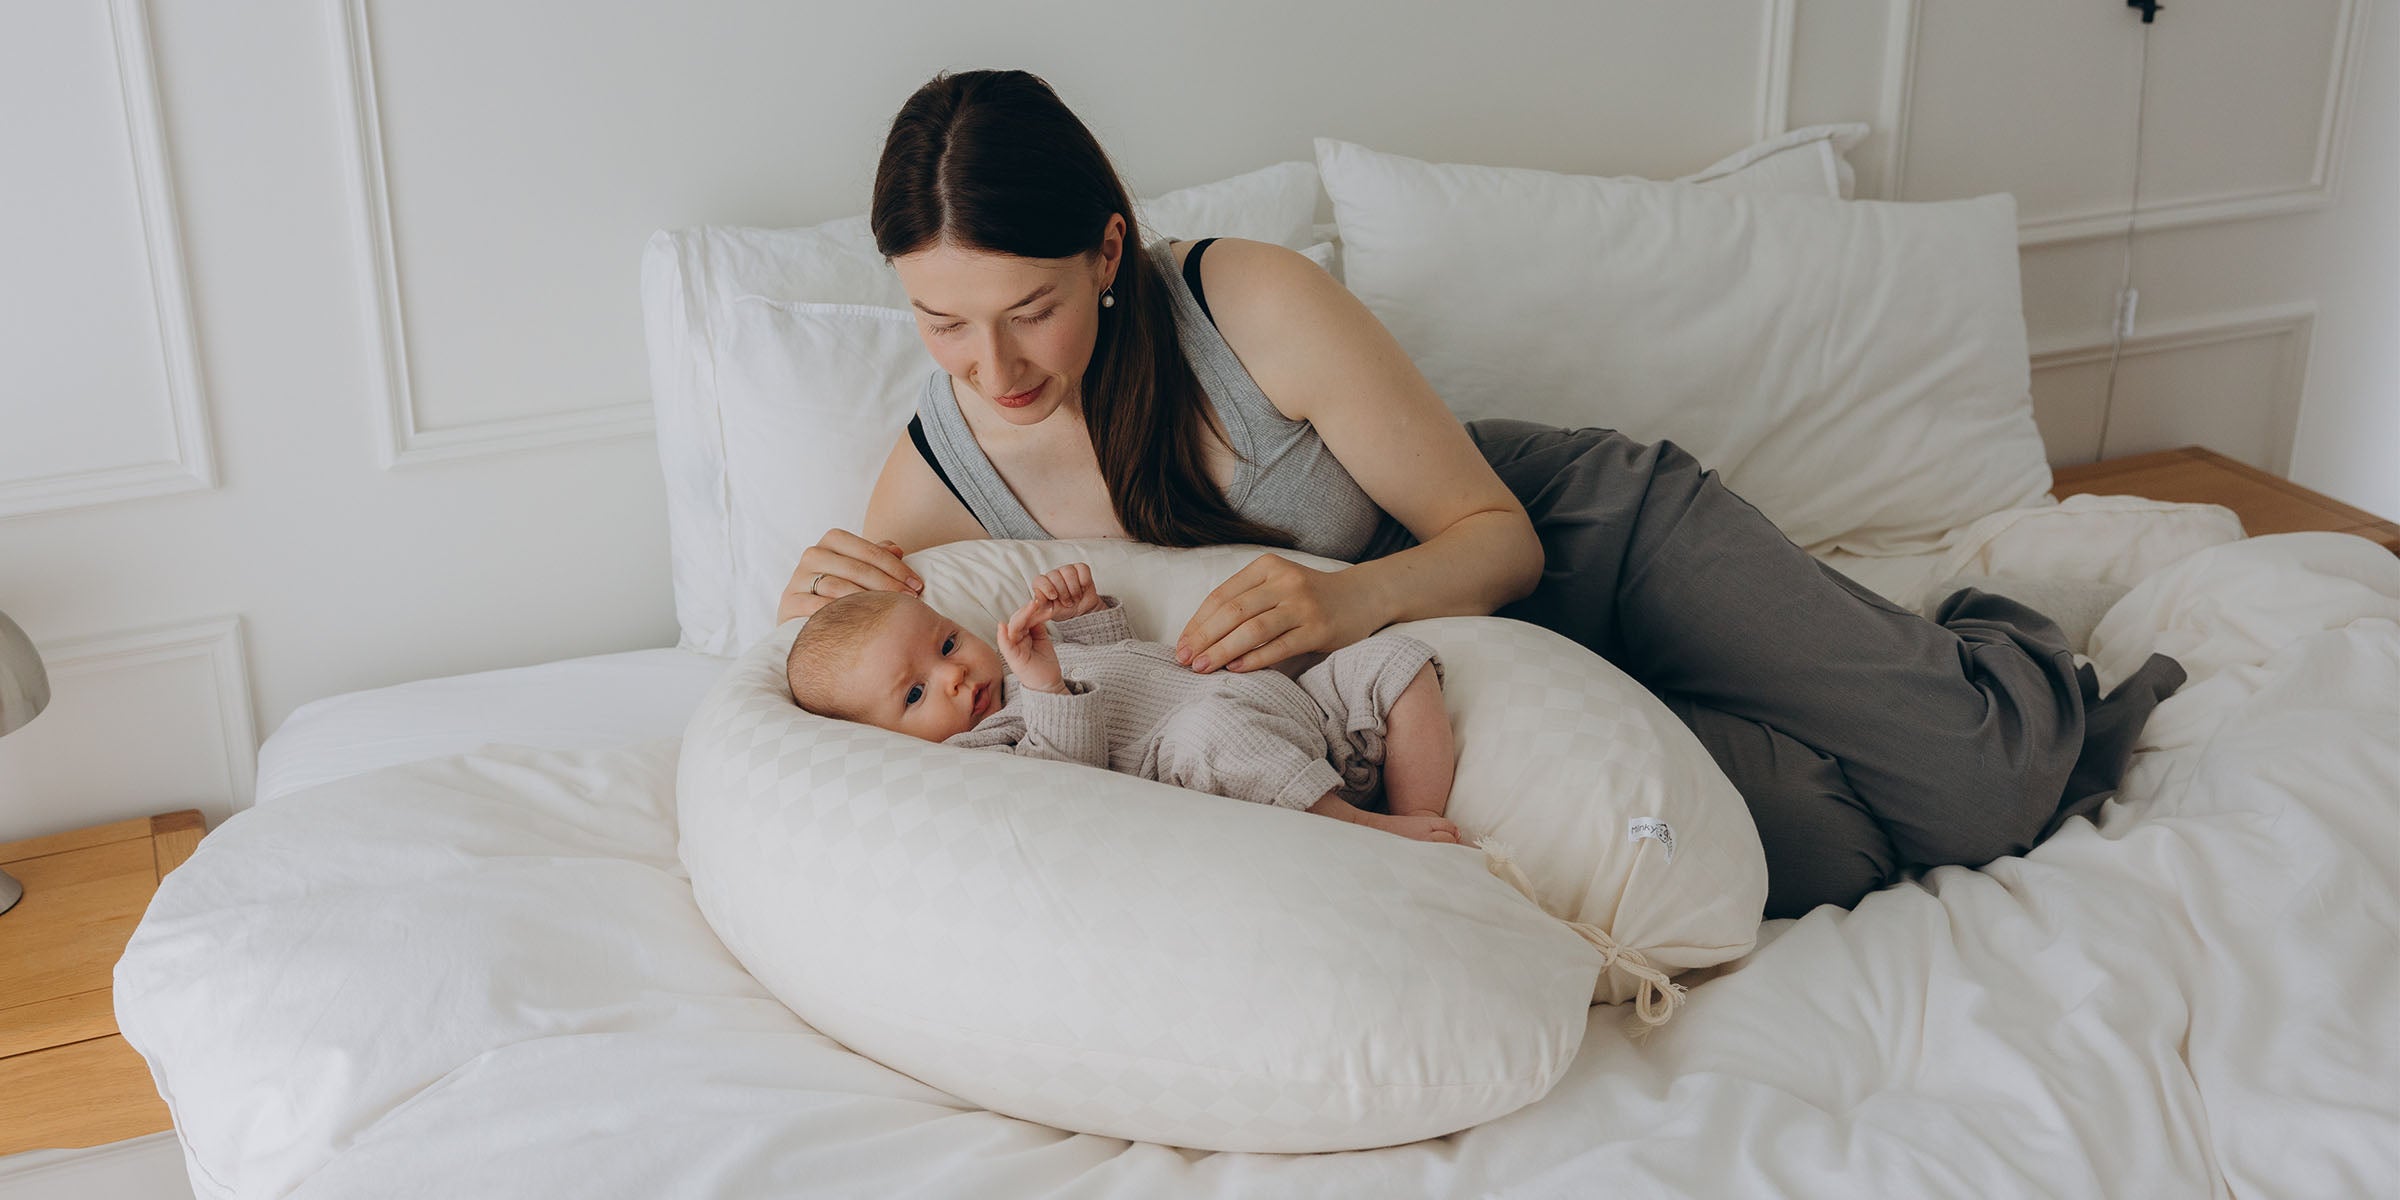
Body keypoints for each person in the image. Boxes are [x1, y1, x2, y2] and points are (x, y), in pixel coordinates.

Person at [777, 69, 2185, 919]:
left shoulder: (1243, 299)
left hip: (1583, 546)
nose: (995, 366)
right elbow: (851, 650)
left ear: (1104, 248)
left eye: (1025, 309)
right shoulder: (949, 455)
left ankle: (1980, 632)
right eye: (941, 324)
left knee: (1988, 786)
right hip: (1472, 682)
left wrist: (1338, 601)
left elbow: (1497, 540)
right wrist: (815, 600)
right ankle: (1877, 673)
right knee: (1822, 848)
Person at [785, 562, 1462, 844]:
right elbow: (1068, 768)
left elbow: (1124, 664)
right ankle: (1365, 833)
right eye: (915, 693)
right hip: (1217, 752)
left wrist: (1085, 618)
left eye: (947, 644)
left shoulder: (1022, 660)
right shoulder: (974, 752)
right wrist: (1047, 685)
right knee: (1212, 733)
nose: (955, 676)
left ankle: (1416, 809)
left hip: (1291, 708)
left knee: (1392, 662)